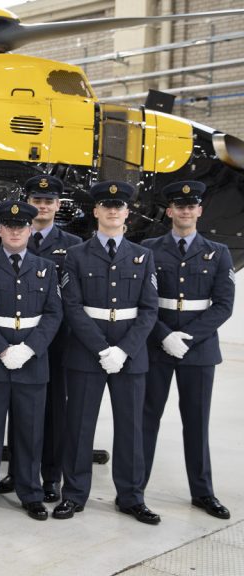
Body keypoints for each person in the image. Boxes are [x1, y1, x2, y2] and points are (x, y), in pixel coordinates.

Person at [53, 180, 160, 525]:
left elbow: (149, 310)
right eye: (106, 206)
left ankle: (131, 497)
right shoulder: (76, 255)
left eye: (119, 206)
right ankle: (73, 494)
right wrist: (102, 349)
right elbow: (72, 306)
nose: (113, 211)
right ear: (96, 211)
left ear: (127, 212)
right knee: (79, 425)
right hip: (87, 352)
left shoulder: (144, 256)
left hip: (130, 355)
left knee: (130, 428)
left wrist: (124, 350)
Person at [141, 180, 234, 520]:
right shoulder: (149, 249)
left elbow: (223, 305)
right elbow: (143, 301)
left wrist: (187, 338)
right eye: (178, 206)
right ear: (169, 211)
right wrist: (165, 335)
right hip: (156, 346)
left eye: (191, 205)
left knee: (196, 422)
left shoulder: (218, 252)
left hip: (198, 351)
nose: (184, 210)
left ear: (199, 210)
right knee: (146, 418)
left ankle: (203, 492)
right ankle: (136, 490)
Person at [0, 199, 62, 520]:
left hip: (32, 362)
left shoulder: (46, 268)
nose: (15, 231)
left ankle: (30, 492)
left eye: (21, 226)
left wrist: (29, 349)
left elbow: (53, 314)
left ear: (31, 229)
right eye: (9, 226)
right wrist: (2, 349)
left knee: (30, 433)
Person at [0, 175, 81, 501]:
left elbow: (71, 298)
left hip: (55, 340)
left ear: (58, 206)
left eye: (49, 201)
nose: (43, 205)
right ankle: (18, 472)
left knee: (52, 413)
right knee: (18, 408)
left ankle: (50, 476)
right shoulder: (12, 234)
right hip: (15, 339)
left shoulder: (72, 245)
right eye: (37, 199)